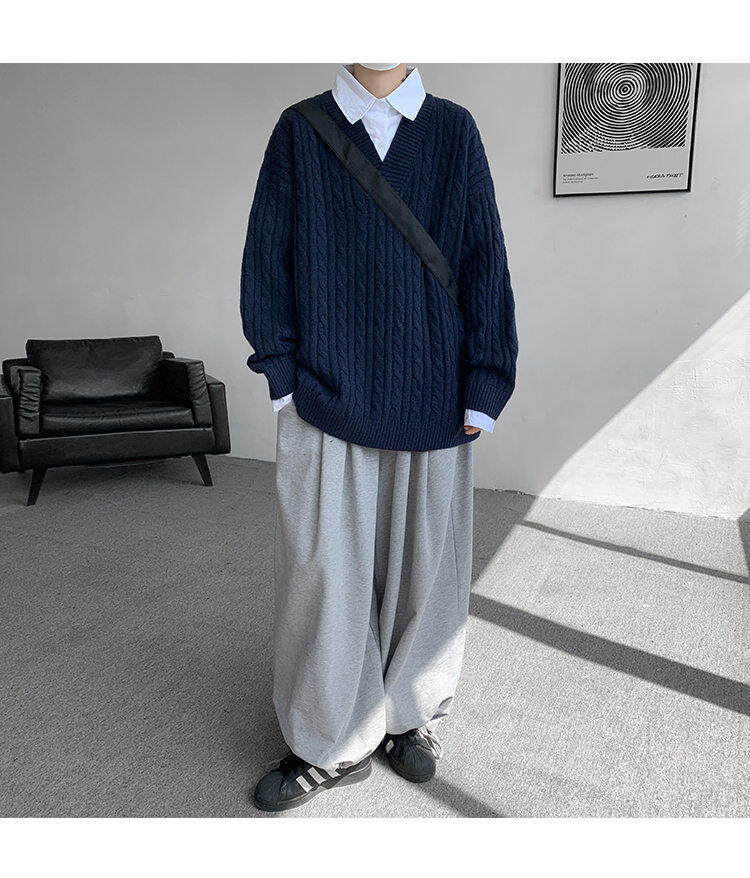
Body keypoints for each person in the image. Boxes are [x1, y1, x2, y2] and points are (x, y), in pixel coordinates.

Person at [241, 63, 518, 812]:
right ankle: (328, 738)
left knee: (427, 573)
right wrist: (282, 377)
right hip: (325, 395)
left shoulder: (452, 130)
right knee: (324, 577)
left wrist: (487, 379)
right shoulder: (301, 129)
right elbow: (267, 257)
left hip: (436, 396)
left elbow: (483, 258)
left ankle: (411, 713)